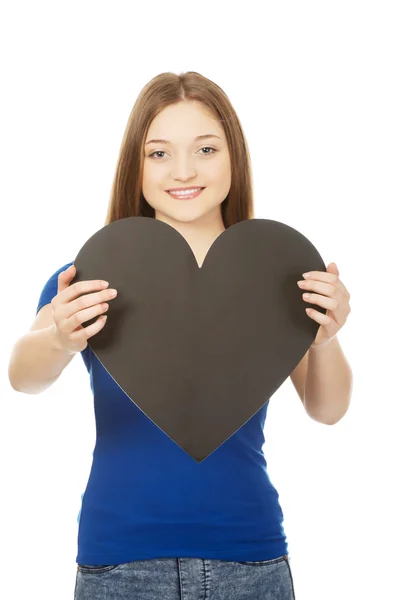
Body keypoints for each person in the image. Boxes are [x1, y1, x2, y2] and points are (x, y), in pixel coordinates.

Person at [9, 70, 353, 599]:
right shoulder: (91, 276)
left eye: (207, 149)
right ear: (136, 166)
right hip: (119, 565)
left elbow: (327, 409)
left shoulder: (276, 277)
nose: (185, 170)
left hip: (251, 559)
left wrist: (324, 338)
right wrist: (59, 336)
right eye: (159, 153)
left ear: (234, 156)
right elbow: (22, 377)